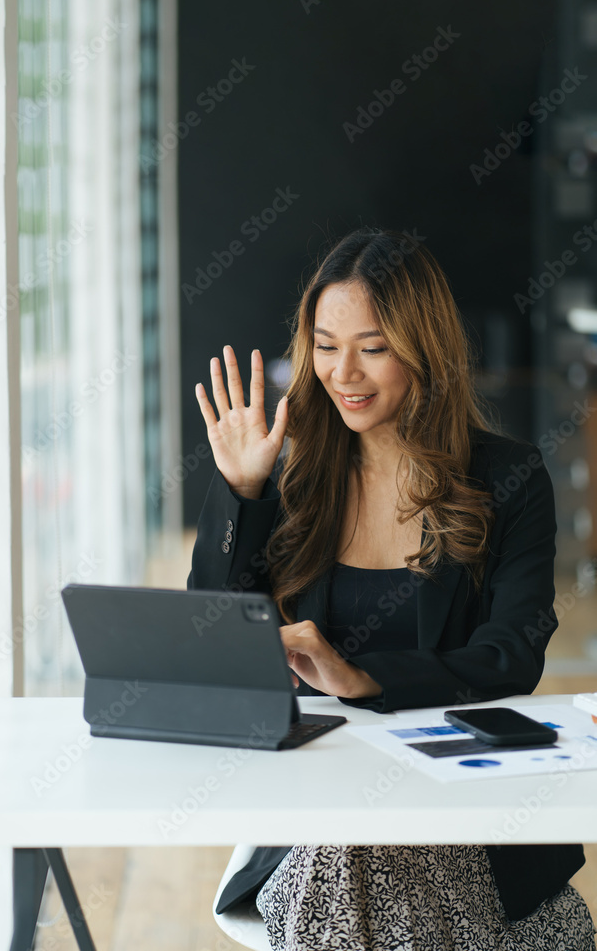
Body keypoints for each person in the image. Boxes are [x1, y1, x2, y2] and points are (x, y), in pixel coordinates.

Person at [188, 227, 596, 950]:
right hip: (317, 814)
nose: (344, 372)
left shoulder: (507, 477)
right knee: (350, 849)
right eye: (325, 344)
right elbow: (210, 641)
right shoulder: (288, 477)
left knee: (371, 853)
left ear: (423, 348)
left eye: (372, 348)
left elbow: (511, 655)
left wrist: (362, 677)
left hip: (461, 805)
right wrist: (241, 490)